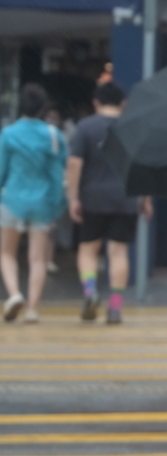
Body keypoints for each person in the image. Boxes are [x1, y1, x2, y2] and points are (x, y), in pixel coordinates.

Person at [66, 81, 151, 324]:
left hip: (92, 198)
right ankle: (115, 308)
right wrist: (145, 199)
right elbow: (142, 167)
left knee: (88, 249)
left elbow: (74, 164)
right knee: (118, 252)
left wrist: (73, 198)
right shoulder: (133, 128)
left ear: (96, 103)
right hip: (125, 199)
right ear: (123, 103)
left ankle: (91, 291)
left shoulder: (85, 127)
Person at [1, 84, 68, 323]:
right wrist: (59, 202)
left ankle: (14, 294)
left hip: (12, 200)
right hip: (43, 202)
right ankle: (32, 308)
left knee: (7, 253)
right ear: (43, 108)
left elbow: (1, 171)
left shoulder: (8, 134)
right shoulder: (53, 135)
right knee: (38, 258)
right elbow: (60, 170)